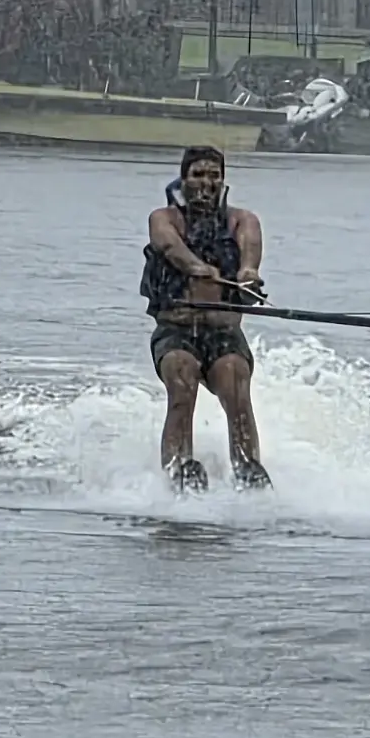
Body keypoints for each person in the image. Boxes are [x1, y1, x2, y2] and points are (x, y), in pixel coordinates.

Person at [142, 144, 269, 490]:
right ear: (184, 179)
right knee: (182, 381)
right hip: (176, 330)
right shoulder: (164, 218)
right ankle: (178, 469)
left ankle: (248, 469)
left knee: (235, 383)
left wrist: (247, 274)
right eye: (198, 174)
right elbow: (169, 246)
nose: (206, 183)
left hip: (223, 333)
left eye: (214, 175)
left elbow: (250, 253)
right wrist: (197, 267)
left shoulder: (242, 220)